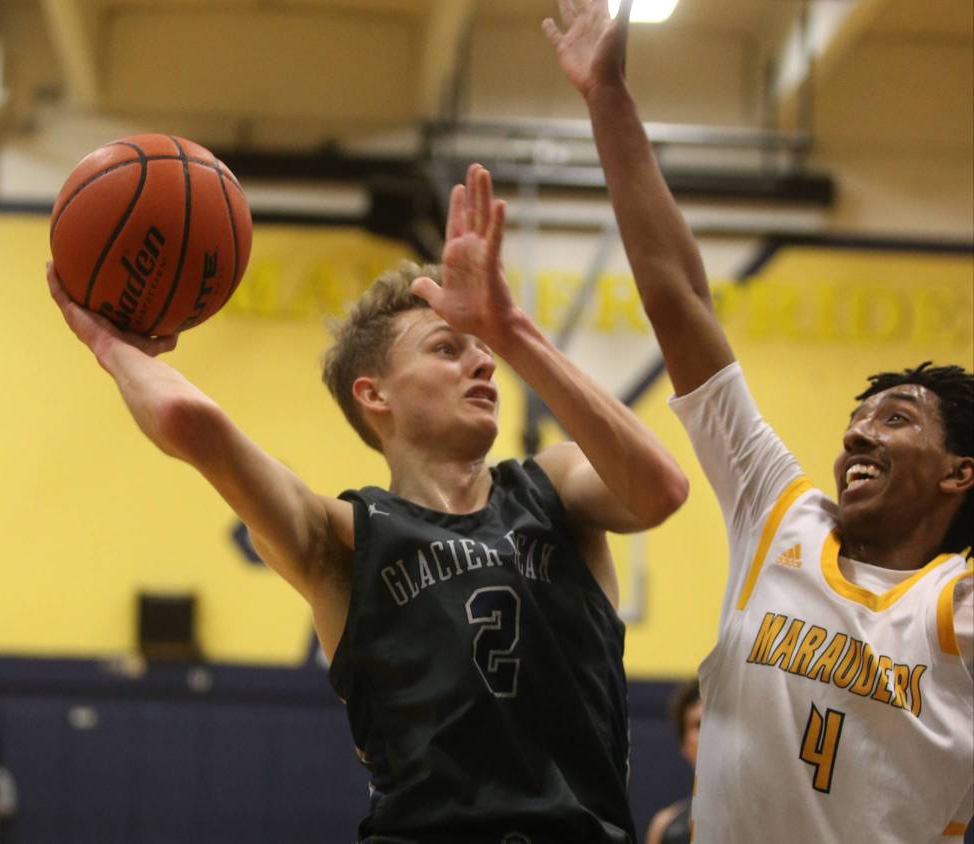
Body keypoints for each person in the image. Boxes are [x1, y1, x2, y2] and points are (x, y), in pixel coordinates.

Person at [48, 158, 688, 841]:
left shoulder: (555, 490)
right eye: (447, 347)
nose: (481, 362)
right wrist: (108, 344)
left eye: (482, 349)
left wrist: (513, 332)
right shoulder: (343, 540)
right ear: (373, 394)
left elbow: (661, 489)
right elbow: (191, 425)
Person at [544, 1, 974, 841]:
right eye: (855, 418)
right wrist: (609, 96)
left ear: (961, 472)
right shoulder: (778, 513)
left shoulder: (956, 605)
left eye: (895, 419)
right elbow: (678, 294)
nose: (856, 434)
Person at [644, 679, 700, 844]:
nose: (709, 734)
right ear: (684, 744)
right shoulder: (664, 825)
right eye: (699, 724)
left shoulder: (762, 818)